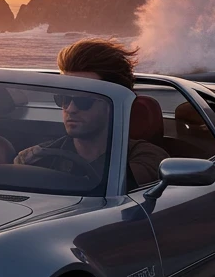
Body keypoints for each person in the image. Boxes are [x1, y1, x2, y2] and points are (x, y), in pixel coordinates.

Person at [14, 37, 166, 189]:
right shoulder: (42, 156)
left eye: (84, 100)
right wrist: (23, 168)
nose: (71, 109)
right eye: (64, 98)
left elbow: (116, 187)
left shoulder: (148, 157)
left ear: (113, 102)